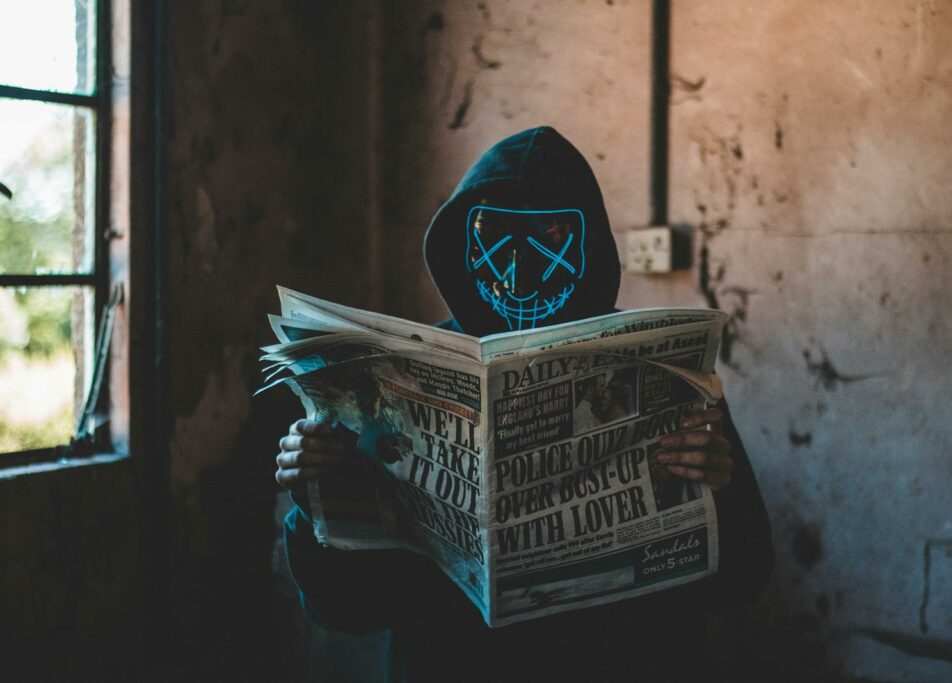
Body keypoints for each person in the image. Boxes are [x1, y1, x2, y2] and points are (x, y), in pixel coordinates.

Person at [275, 127, 773, 682]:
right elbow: (346, 608)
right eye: (495, 237)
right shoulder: (397, 379)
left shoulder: (662, 374)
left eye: (549, 235)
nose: (517, 274)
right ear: (461, 246)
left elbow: (745, 578)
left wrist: (716, 492)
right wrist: (314, 494)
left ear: (589, 248)